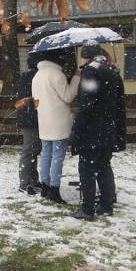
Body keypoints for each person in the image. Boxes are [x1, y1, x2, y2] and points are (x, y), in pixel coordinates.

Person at [68, 40, 126, 221]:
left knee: (86, 168)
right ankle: (107, 205)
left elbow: (86, 105)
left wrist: (76, 131)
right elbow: (119, 104)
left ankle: (87, 209)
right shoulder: (112, 71)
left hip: (92, 130)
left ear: (86, 57)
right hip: (109, 129)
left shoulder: (90, 71)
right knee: (104, 167)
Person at [31, 47, 80, 204]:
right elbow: (68, 96)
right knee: (57, 156)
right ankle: (54, 189)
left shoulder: (37, 75)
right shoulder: (56, 74)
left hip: (44, 121)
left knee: (46, 154)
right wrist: (76, 79)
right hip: (58, 122)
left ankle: (45, 186)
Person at [15, 52, 42, 195]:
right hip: (31, 119)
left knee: (32, 150)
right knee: (29, 150)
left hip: (28, 118)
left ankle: (31, 179)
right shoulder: (33, 76)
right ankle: (25, 182)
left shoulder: (27, 75)